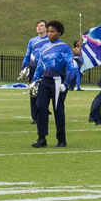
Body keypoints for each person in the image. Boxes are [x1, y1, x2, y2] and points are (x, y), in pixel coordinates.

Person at [32, 20, 79, 148]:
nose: (50, 34)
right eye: (48, 31)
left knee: (58, 110)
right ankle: (42, 138)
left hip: (58, 81)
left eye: (53, 32)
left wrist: (66, 83)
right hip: (45, 81)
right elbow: (40, 67)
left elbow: (70, 67)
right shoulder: (44, 47)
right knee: (40, 107)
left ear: (59, 33)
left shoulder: (64, 47)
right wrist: (34, 80)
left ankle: (61, 139)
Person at [21, 20, 49, 124]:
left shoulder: (49, 40)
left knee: (44, 93)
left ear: (46, 28)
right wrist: (23, 67)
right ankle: (34, 116)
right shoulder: (32, 41)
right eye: (37, 26)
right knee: (33, 92)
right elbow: (27, 54)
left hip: (46, 70)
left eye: (41, 26)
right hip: (33, 69)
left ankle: (43, 112)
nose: (39, 28)